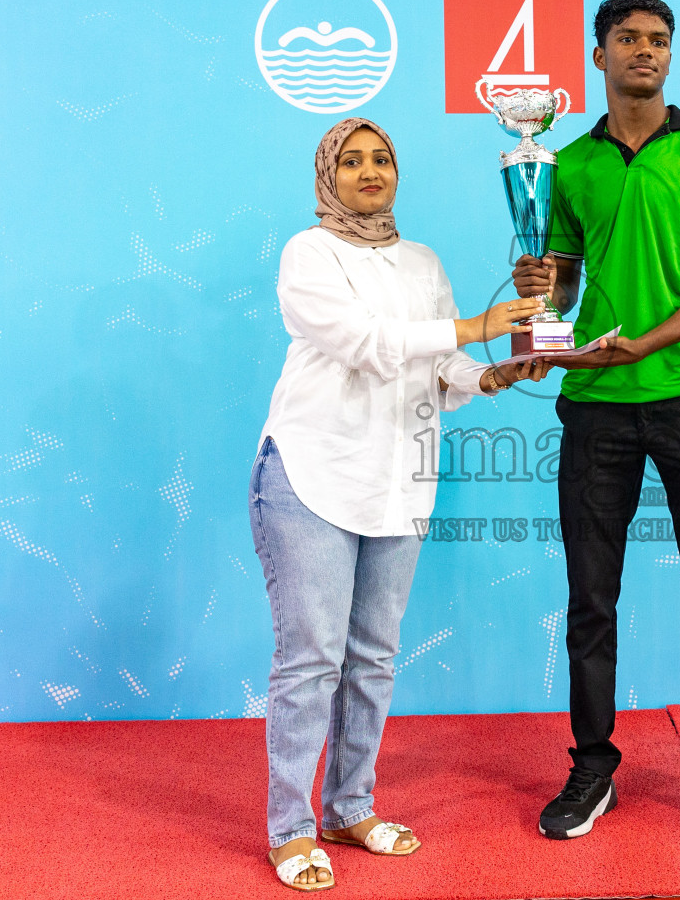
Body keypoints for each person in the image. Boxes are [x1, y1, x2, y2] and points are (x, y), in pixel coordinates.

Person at [254, 117, 547, 890]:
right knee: (311, 659)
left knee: (374, 657)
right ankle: (291, 826)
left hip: (400, 478)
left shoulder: (422, 262)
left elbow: (438, 363)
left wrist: (486, 374)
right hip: (313, 473)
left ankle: (351, 806)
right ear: (328, 176)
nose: (369, 170)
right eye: (350, 160)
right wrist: (477, 327)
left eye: (382, 157)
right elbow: (364, 340)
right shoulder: (308, 252)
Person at [514, 0, 680, 845]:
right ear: (600, 56)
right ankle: (592, 770)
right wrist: (537, 301)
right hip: (594, 405)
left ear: (671, 54)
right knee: (591, 597)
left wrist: (646, 346)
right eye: (628, 39)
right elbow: (567, 292)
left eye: (659, 40)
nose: (645, 52)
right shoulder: (568, 167)